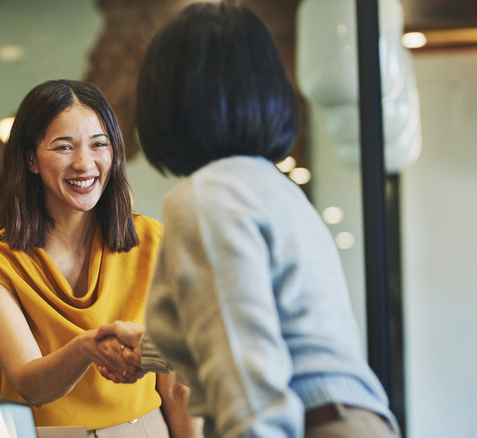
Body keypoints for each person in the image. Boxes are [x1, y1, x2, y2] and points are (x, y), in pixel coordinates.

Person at [100, 2, 400, 437]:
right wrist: (146, 349)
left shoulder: (206, 198)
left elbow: (246, 375)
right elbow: (269, 330)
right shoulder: (274, 188)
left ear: (169, 97)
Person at [0, 79, 198, 437]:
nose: (85, 163)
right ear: (31, 159)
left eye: (99, 144)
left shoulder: (154, 241)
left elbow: (178, 385)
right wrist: (90, 346)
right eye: (64, 147)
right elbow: (32, 385)